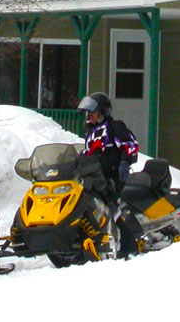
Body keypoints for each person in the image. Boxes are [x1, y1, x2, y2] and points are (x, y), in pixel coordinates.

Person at [77, 91, 140, 259]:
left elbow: (130, 144)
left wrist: (125, 162)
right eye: (88, 113)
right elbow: (89, 154)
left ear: (103, 111)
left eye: (93, 112)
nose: (89, 116)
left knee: (109, 206)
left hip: (112, 175)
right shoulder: (91, 132)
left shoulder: (115, 127)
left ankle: (129, 246)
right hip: (93, 177)